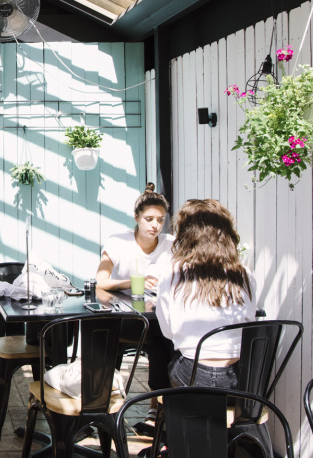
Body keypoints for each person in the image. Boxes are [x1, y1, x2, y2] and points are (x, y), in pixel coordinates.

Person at [155, 199, 257, 389]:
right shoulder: (244, 273)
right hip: (239, 380)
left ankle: (175, 415)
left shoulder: (172, 272)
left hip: (192, 376)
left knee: (168, 361)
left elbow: (167, 331)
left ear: (186, 234)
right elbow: (249, 322)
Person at [96, 182, 174, 428]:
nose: (155, 225)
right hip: (126, 320)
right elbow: (101, 281)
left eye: (160, 220)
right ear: (136, 217)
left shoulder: (171, 244)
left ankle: (157, 408)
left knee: (163, 338)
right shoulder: (119, 242)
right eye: (149, 218)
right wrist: (130, 282)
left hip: (158, 318)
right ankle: (100, 404)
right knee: (102, 335)